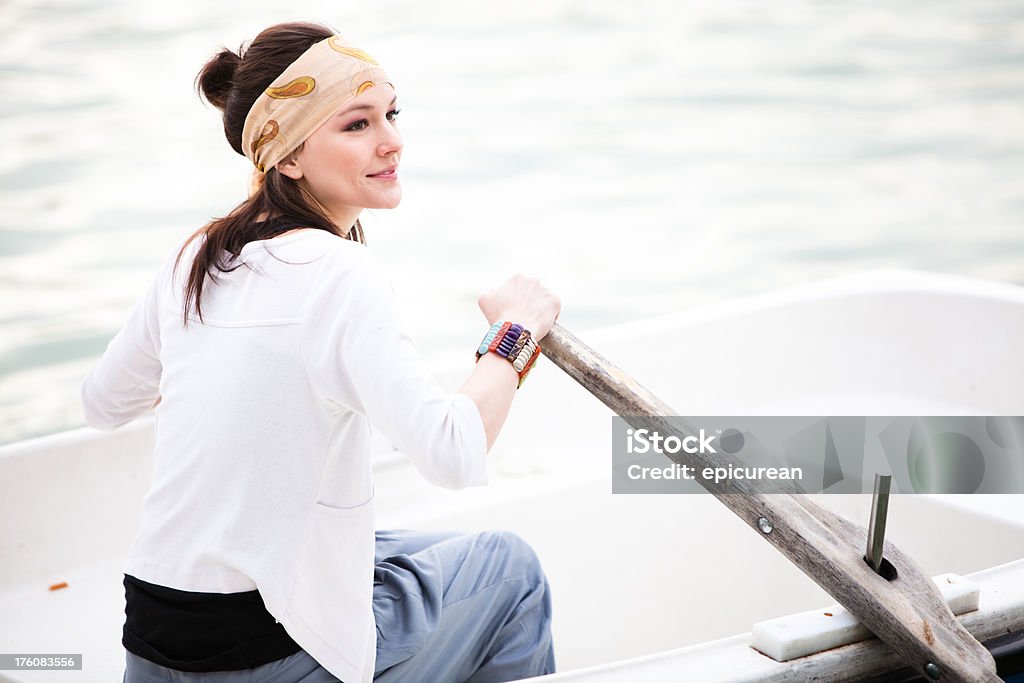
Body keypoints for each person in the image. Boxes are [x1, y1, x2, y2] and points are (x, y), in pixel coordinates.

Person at [81, 21, 560, 683]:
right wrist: (514, 334)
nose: (391, 139)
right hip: (261, 657)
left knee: (378, 549)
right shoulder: (340, 274)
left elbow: (103, 403)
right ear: (287, 156)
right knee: (512, 569)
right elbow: (454, 451)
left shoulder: (197, 257)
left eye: (390, 113)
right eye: (356, 124)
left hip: (153, 641)